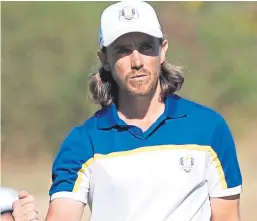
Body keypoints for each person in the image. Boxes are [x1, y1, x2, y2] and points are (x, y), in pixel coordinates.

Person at [12, 1, 243, 221]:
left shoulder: (209, 128)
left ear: (162, 50)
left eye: (145, 47)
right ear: (104, 59)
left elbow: (227, 216)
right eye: (123, 50)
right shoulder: (83, 142)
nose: (137, 61)